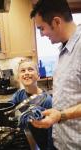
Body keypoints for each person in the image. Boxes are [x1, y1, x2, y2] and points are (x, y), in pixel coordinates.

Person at [30, 0, 81, 150]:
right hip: (60, 139)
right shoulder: (64, 48)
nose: (41, 34)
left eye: (42, 28)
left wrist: (61, 115)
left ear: (56, 22)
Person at [10, 58, 55, 150]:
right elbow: (7, 109)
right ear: (18, 77)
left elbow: (52, 132)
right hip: (30, 138)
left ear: (38, 75)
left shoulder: (47, 101)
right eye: (23, 71)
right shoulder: (19, 95)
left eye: (30, 69)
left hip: (44, 144)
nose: (26, 73)